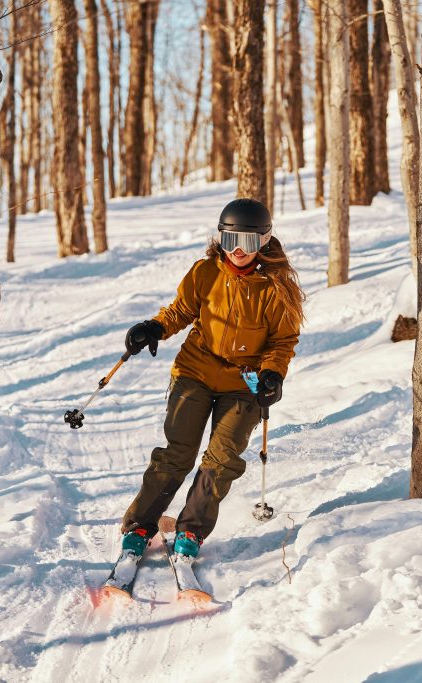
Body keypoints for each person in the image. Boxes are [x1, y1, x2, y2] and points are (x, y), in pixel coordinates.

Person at [118, 198, 305, 559]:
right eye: (230, 239)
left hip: (245, 379)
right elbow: (181, 310)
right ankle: (141, 524)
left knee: (222, 459)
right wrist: (154, 327)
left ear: (264, 241)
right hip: (196, 371)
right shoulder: (205, 272)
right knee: (178, 453)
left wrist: (271, 374)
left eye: (248, 242)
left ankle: (191, 530)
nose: (238, 250)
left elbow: (283, 341)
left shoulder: (277, 288)